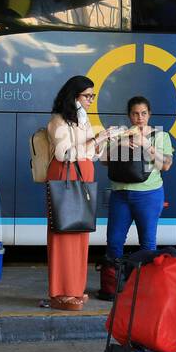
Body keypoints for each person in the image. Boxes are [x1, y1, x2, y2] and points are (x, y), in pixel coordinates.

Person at [45, 76, 113, 311]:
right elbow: (64, 154)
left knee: (80, 233)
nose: (91, 100)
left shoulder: (83, 119)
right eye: (87, 96)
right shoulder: (58, 120)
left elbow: (90, 154)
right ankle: (60, 293)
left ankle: (74, 289)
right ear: (74, 96)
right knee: (63, 233)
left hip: (82, 175)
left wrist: (101, 140)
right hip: (65, 176)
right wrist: (97, 138)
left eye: (92, 96)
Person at [100, 95, 173, 299]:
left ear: (149, 114)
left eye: (143, 113)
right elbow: (104, 161)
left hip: (149, 195)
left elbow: (166, 165)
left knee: (148, 244)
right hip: (120, 194)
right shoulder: (120, 135)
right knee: (114, 241)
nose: (139, 118)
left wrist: (145, 146)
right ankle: (112, 287)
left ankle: (145, 290)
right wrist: (119, 145)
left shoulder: (160, 136)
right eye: (135, 113)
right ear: (129, 115)